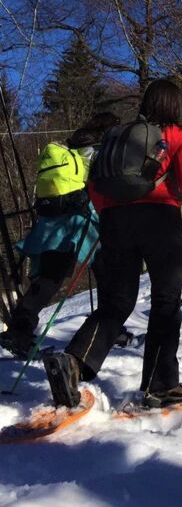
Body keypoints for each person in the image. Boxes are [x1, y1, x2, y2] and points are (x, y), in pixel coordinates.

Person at [42, 79, 182, 409]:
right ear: (175, 105)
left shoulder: (118, 136)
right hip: (160, 221)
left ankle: (73, 362)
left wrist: (109, 216)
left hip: (116, 222)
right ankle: (160, 386)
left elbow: (94, 184)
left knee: (116, 302)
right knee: (165, 301)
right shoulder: (179, 136)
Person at [0, 113, 119, 358]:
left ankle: (18, 331)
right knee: (107, 272)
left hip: (52, 219)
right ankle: (109, 328)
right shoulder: (100, 148)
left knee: (49, 278)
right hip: (80, 218)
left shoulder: (73, 145)